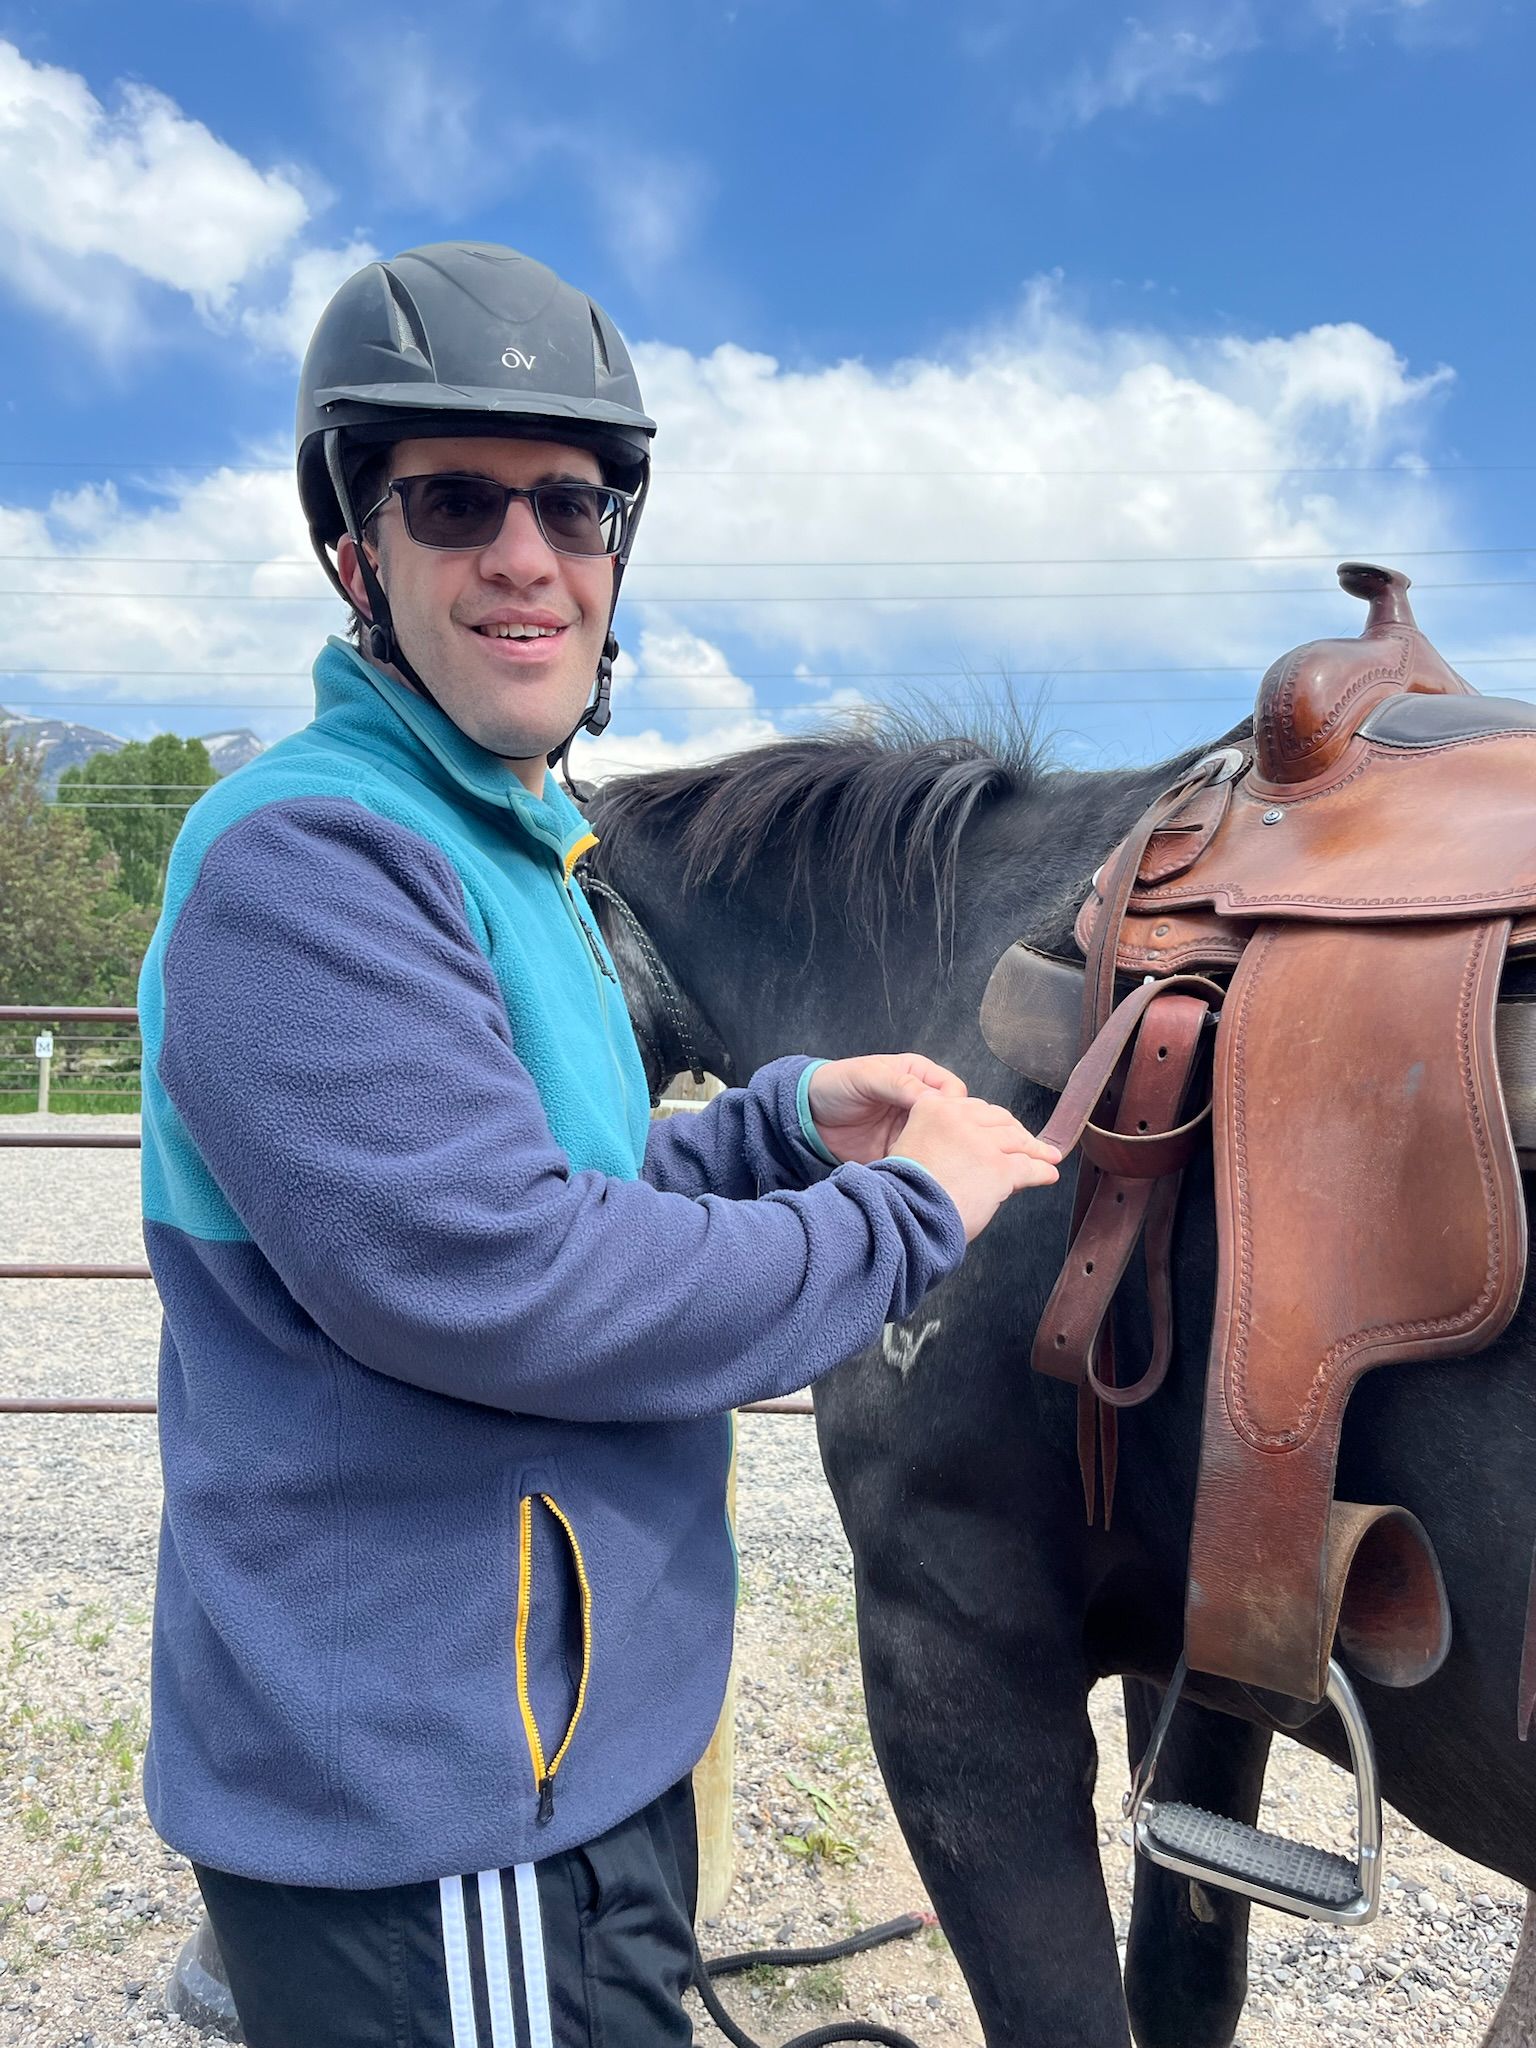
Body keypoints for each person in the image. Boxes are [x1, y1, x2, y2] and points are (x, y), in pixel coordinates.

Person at [137, 241, 1061, 2048]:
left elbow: (579, 1185)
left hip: (538, 1757)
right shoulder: (308, 860)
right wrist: (903, 1215)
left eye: (571, 503)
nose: (523, 553)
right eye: (454, 500)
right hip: (446, 1810)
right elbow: (512, 1282)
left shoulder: (508, 844)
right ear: (358, 551)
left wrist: (793, 1122)